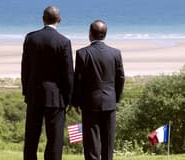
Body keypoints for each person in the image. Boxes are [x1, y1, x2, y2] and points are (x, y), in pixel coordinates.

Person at [21, 6, 74, 160]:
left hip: (34, 94)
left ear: (43, 18)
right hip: (56, 97)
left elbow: (25, 68)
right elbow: (68, 73)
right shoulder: (64, 42)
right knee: (55, 139)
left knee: (31, 137)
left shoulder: (30, 38)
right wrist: (69, 98)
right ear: (59, 20)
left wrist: (26, 90)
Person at [72, 20, 125, 160]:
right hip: (109, 102)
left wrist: (76, 101)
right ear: (105, 34)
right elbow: (121, 78)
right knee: (108, 144)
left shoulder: (82, 53)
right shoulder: (115, 53)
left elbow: (78, 80)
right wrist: (116, 98)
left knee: (91, 144)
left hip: (90, 104)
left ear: (90, 34)